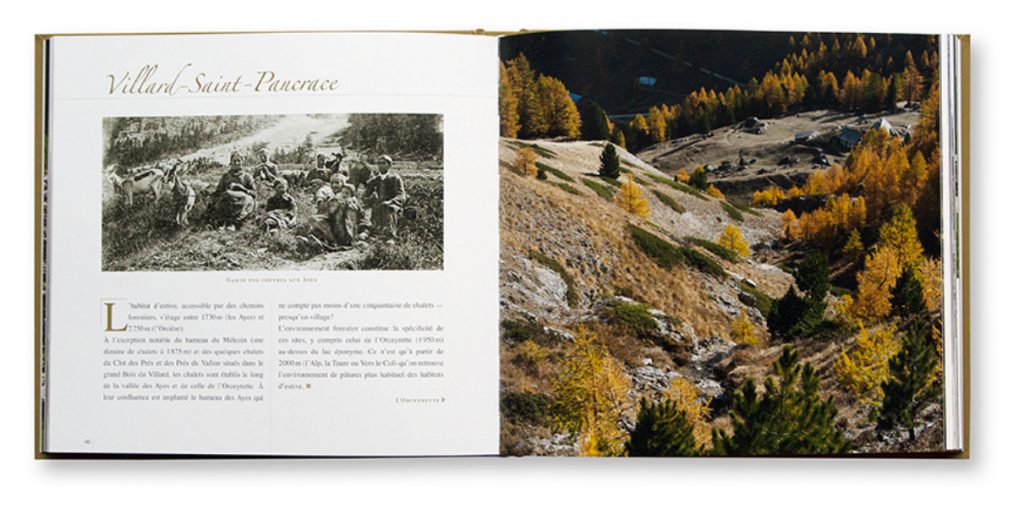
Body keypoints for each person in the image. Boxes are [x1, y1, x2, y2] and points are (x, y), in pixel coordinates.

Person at [210, 151, 257, 229]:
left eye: (239, 160)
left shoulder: (247, 177)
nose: (236, 163)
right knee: (226, 196)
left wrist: (242, 189)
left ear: (242, 162)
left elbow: (254, 193)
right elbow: (218, 192)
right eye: (234, 161)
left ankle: (234, 223)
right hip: (228, 201)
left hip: (243, 202)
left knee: (244, 200)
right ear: (230, 162)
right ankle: (223, 222)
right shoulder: (226, 177)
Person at [366, 154, 406, 241]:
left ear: (389, 165)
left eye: (383, 163)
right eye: (379, 163)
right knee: (374, 210)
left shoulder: (395, 178)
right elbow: (366, 195)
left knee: (389, 209)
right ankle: (374, 233)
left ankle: (391, 236)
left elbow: (401, 195)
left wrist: (391, 202)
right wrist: (371, 197)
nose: (381, 165)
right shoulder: (376, 179)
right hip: (379, 204)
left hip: (393, 205)